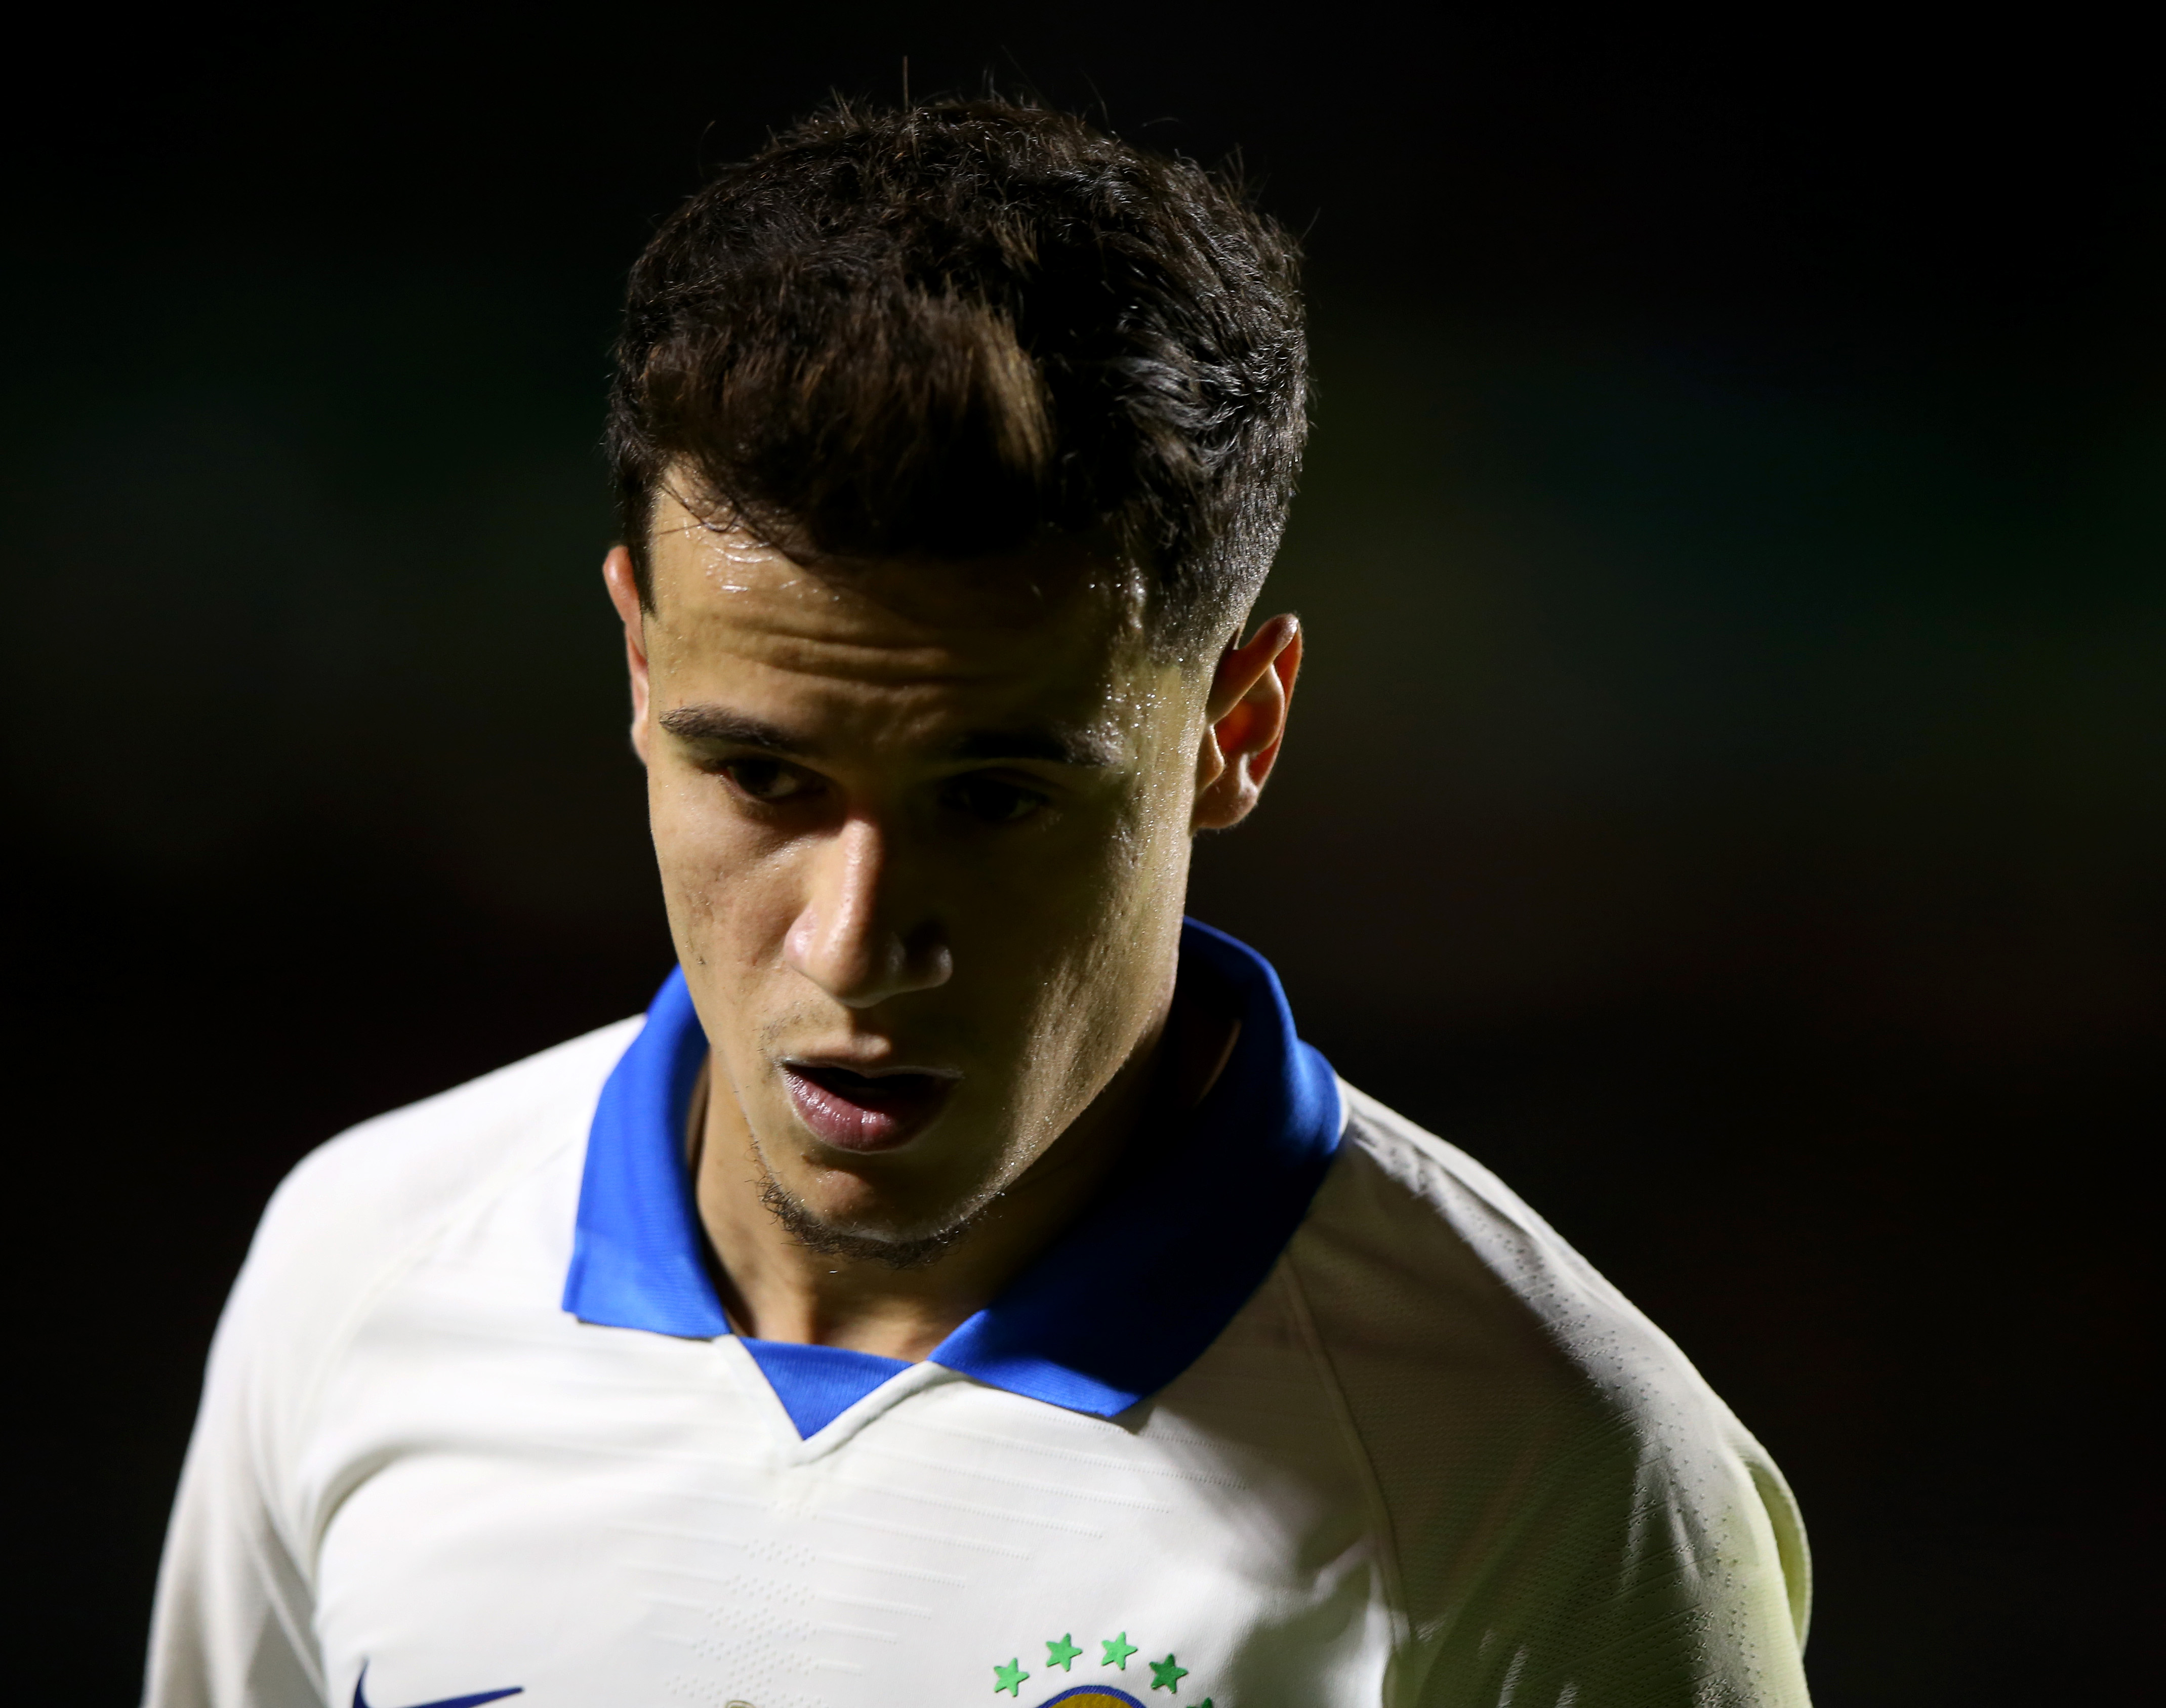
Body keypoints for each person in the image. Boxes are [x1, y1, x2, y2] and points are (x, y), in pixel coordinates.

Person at [145, 97, 1813, 1708]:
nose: (857, 941)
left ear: (1236, 732)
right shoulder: (357, 1267)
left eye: (997, 798)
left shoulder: (1553, 1477)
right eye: (764, 779)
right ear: (643, 666)